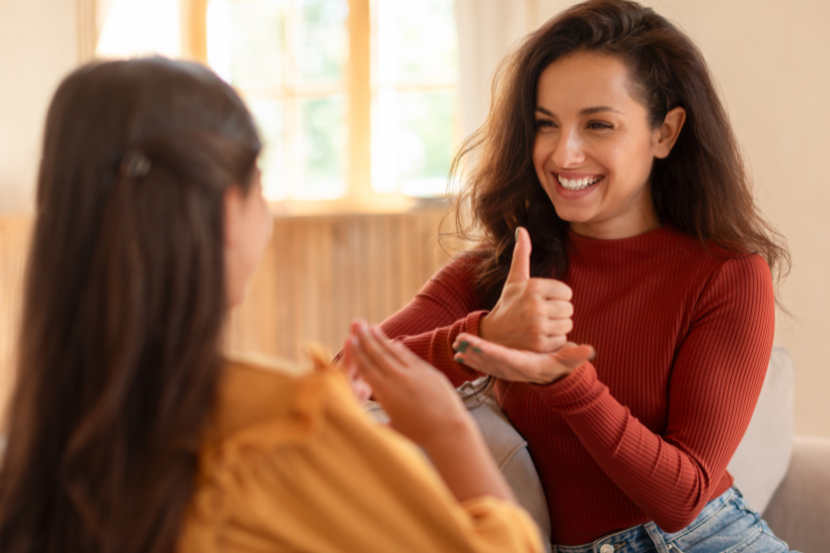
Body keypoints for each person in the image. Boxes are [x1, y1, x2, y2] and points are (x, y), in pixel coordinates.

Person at [0, 57, 543, 553]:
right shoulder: (287, 432)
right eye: (261, 191)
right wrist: (446, 428)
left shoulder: (33, 461)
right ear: (228, 212)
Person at [375, 1, 797, 551]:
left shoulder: (727, 275)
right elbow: (344, 382)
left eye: (598, 124)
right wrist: (482, 336)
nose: (563, 153)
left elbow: (682, 498)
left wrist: (563, 380)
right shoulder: (498, 273)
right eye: (545, 124)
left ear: (665, 133)